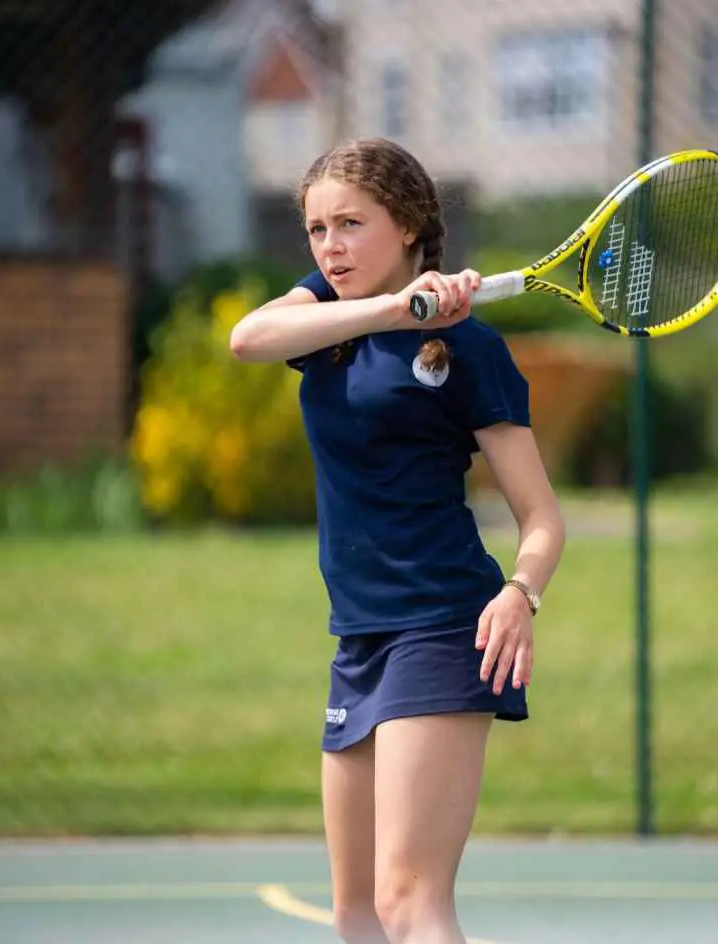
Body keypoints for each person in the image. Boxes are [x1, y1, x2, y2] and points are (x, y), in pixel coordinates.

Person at [230, 137, 565, 944]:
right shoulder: (325, 318)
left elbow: (542, 519)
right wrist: (392, 309)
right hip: (360, 637)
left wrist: (520, 594)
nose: (331, 247)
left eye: (351, 224)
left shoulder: (470, 348)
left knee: (410, 902)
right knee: (356, 914)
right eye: (317, 229)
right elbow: (246, 338)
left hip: (444, 627)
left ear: (409, 224)